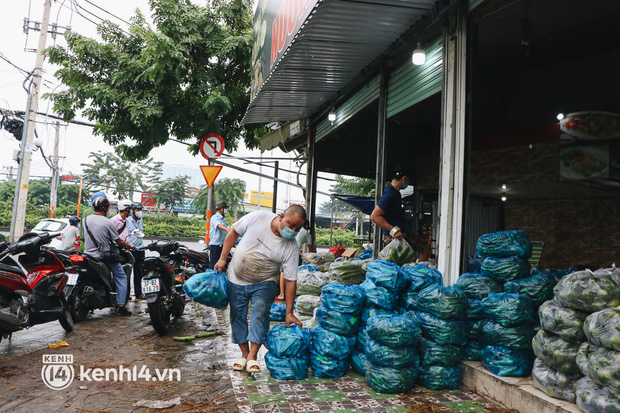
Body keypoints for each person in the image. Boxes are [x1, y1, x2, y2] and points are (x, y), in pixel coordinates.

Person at [214, 205, 306, 373]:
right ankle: (244, 353)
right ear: (281, 216)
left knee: (260, 314)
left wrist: (289, 311)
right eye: (291, 224)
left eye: (297, 228)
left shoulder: (291, 246)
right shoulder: (258, 217)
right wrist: (222, 259)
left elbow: (291, 280)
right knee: (237, 315)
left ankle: (252, 357)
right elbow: (233, 232)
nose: (293, 230)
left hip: (265, 281)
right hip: (236, 278)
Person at [83, 196, 135, 316]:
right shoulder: (108, 222)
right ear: (106, 208)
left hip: (87, 255)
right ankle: (121, 307)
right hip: (103, 257)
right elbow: (119, 242)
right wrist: (129, 246)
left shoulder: (85, 220)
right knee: (121, 277)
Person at [370, 166, 431, 262]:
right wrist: (393, 230)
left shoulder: (395, 193)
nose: (407, 183)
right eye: (408, 181)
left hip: (402, 232)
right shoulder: (389, 195)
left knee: (424, 247)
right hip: (393, 236)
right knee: (397, 263)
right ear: (404, 178)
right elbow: (374, 216)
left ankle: (419, 274)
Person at [277, 219, 314, 301]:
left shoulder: (292, 230)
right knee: (293, 275)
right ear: (307, 226)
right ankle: (289, 296)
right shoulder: (306, 233)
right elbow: (310, 250)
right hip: (294, 254)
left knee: (283, 272)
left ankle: (282, 294)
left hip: (284, 252)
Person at [127, 202, 145, 300]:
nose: (139, 212)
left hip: (140, 249)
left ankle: (139, 293)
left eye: (140, 210)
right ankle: (127, 294)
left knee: (139, 273)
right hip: (131, 249)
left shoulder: (140, 220)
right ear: (133, 210)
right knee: (128, 273)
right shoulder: (127, 220)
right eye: (137, 210)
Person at [209, 200, 230, 269]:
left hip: (222, 245)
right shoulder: (215, 218)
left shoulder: (223, 219)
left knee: (222, 266)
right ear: (221, 209)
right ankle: (212, 279)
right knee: (215, 266)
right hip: (216, 245)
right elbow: (219, 226)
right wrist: (227, 229)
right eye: (225, 207)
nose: (226, 209)